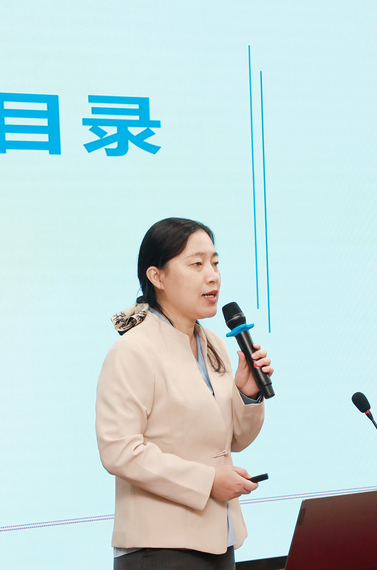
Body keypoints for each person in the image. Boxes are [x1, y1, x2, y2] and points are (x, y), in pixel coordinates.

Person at [96, 218, 273, 570]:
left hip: (219, 539)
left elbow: (234, 441)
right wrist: (208, 481)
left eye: (215, 263)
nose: (212, 276)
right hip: (159, 548)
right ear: (157, 277)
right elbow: (119, 451)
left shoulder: (214, 344)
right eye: (196, 264)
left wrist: (247, 394)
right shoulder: (134, 350)